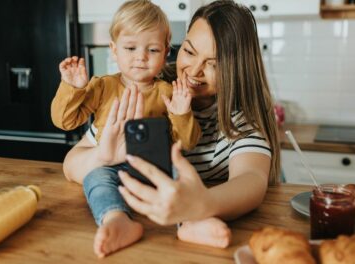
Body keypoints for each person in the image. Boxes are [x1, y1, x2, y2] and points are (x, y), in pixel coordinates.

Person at [62, 0, 281, 258]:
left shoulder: (240, 120)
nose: (194, 70)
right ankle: (115, 218)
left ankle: (191, 223)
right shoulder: (148, 91)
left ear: (236, 69)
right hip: (141, 234)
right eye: (189, 52)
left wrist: (201, 206)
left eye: (213, 63)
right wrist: (103, 156)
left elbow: (252, 180)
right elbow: (71, 163)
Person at [50, 0, 202, 258]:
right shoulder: (102, 87)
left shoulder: (169, 92)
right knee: (95, 178)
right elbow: (65, 121)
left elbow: (187, 143)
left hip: (156, 167)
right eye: (130, 47)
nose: (140, 57)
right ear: (113, 49)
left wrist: (181, 112)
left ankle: (193, 221)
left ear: (166, 52)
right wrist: (72, 88)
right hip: (110, 167)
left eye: (152, 50)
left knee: (182, 173)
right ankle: (116, 219)